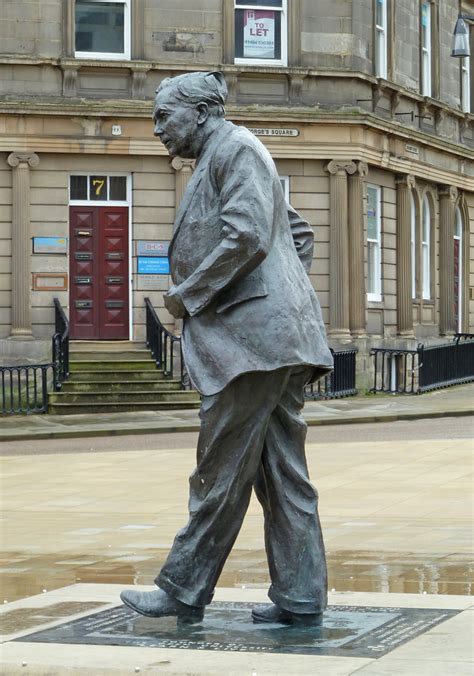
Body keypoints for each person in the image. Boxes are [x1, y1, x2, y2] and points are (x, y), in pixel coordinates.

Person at [121, 71, 333, 626]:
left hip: (252, 351)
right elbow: (297, 235)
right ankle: (301, 595)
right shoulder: (230, 154)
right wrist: (280, 301)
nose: (158, 128)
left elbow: (247, 235)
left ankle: (183, 587)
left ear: (202, 110)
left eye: (165, 115)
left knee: (219, 470)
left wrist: (191, 297)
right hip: (272, 341)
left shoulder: (235, 149)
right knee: (282, 472)